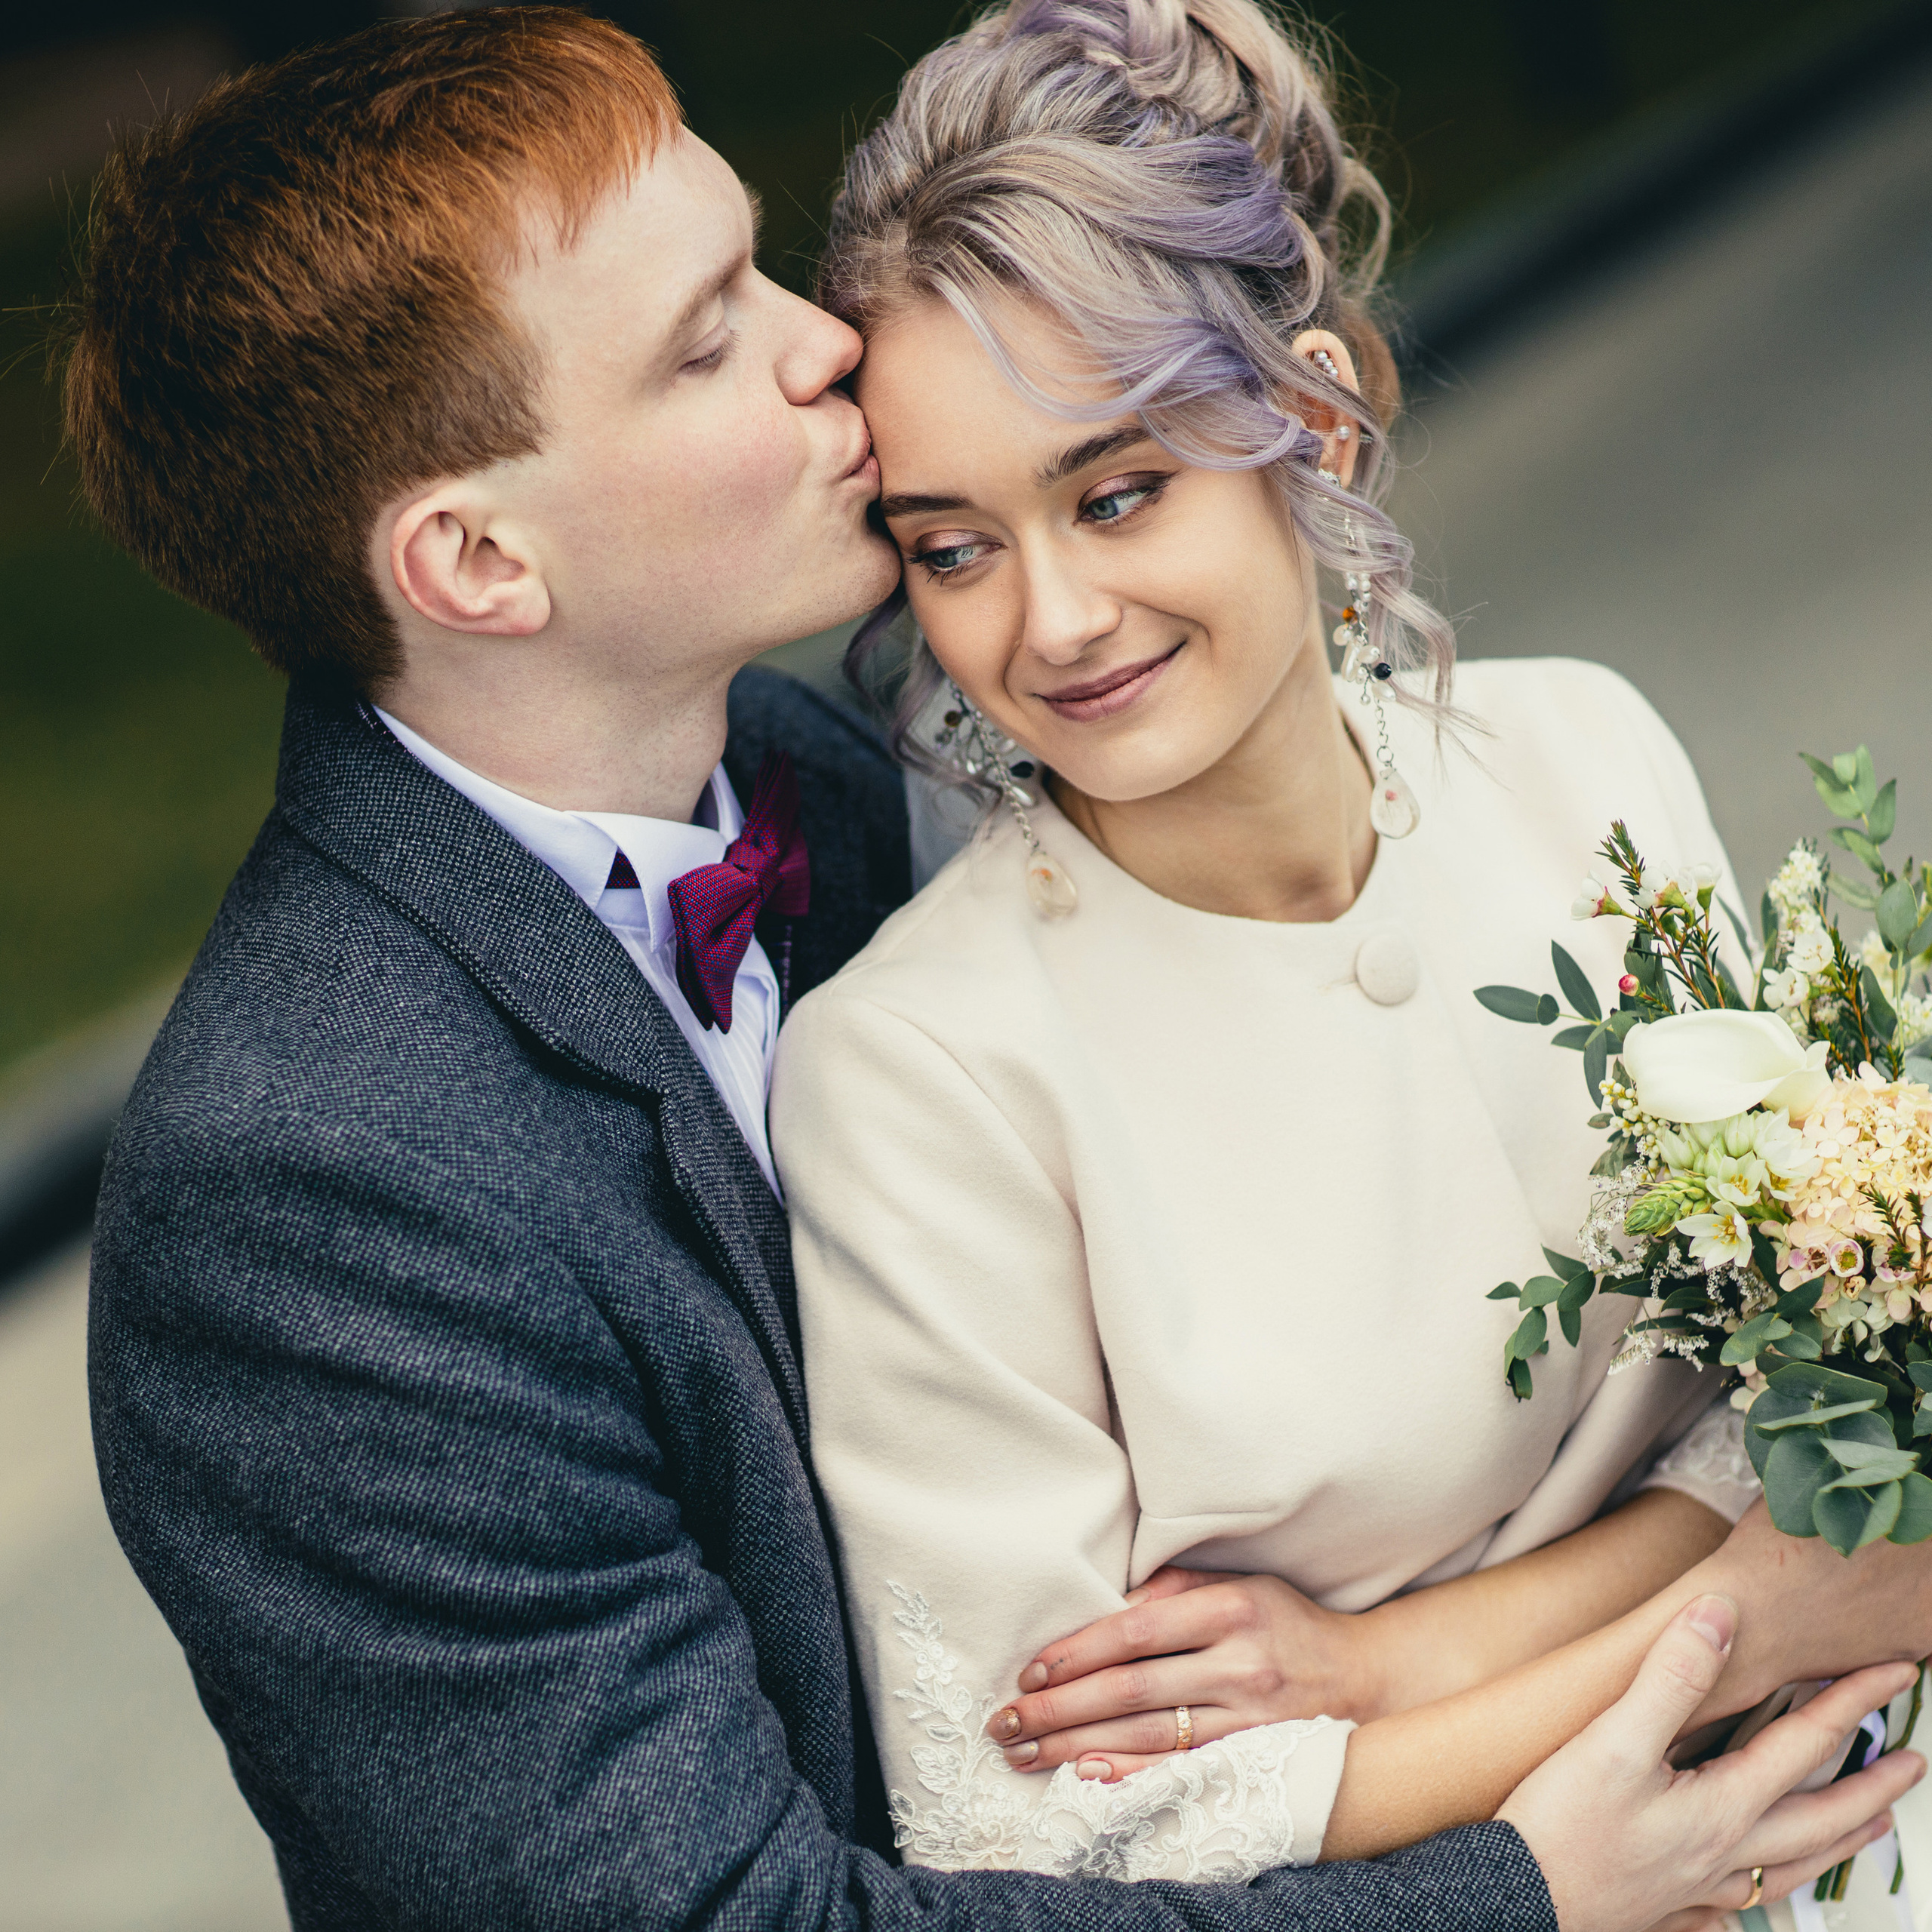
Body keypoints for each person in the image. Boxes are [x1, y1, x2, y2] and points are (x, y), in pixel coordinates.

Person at [69, 8, 1915, 1930]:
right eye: (709, 335)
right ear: (474, 562)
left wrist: (1541, 1629)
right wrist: (1523, 1873)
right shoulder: (303, 1193)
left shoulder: (842, 793)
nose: (821, 344)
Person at [770, 0, 1932, 1901]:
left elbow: (1815, 1406)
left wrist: (1389, 1664)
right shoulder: (915, 1077)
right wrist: (1751, 1612)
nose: (1050, 619)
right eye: (953, 545)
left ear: (1305, 418)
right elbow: (1042, 1824)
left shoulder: (1580, 760)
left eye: (1115, 489)